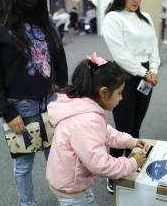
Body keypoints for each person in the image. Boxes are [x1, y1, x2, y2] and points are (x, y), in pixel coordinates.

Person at [0, 0, 68, 205]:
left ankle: (68, 198)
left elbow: (56, 53)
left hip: (50, 100)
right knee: (24, 164)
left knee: (58, 156)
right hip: (19, 105)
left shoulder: (39, 18)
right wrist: (6, 111)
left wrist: (62, 85)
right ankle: (27, 203)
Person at [46, 53, 147, 206]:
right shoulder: (86, 120)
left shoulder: (83, 106)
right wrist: (131, 163)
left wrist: (130, 141)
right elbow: (101, 164)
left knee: (88, 200)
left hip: (75, 178)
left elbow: (106, 132)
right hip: (70, 186)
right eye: (119, 93)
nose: (121, 98)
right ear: (104, 92)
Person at [102, 0, 160, 193]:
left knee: (136, 126)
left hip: (146, 78)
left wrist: (153, 70)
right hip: (124, 77)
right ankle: (112, 172)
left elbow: (153, 46)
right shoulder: (113, 18)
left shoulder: (145, 17)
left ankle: (131, 165)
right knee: (123, 129)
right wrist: (145, 72)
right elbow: (121, 55)